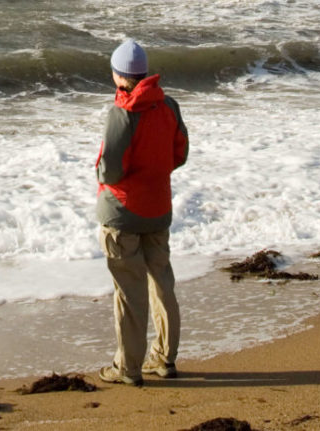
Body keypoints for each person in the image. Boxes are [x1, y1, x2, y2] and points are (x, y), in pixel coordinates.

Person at [94, 38, 189, 386]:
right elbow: (179, 154)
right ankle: (164, 358)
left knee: (129, 293)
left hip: (123, 213)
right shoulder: (169, 106)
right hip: (158, 208)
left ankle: (128, 367)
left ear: (119, 76)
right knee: (162, 283)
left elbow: (110, 170)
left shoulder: (122, 114)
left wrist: (101, 175)